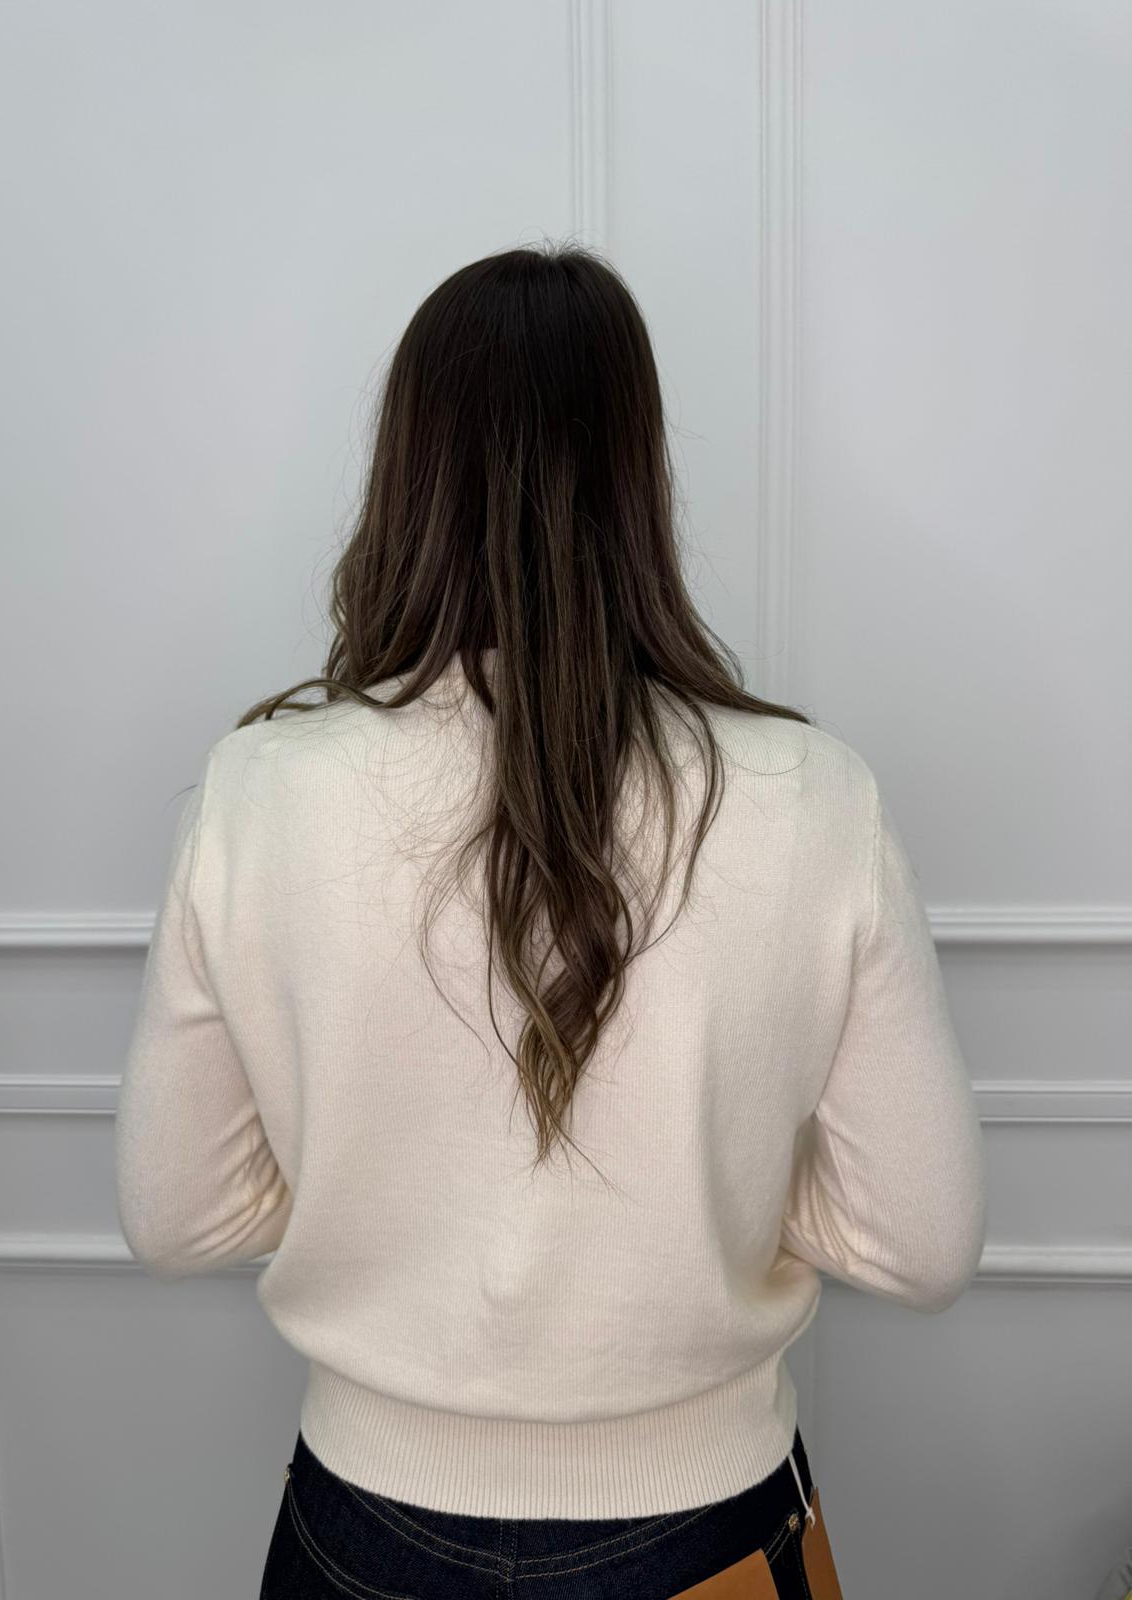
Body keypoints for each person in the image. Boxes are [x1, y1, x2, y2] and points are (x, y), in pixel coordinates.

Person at [114, 243, 987, 1598]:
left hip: (363, 1530)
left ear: (407, 473)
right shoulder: (814, 797)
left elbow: (177, 1215)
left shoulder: (258, 791)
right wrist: (713, 1201)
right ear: (640, 476)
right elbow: (922, 1244)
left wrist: (380, 1184)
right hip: (708, 1533)